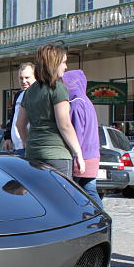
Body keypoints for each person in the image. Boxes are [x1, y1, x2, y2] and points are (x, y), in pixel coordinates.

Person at [17, 44, 85, 178]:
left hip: (33, 154)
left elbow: (20, 125)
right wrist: (78, 153)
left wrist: (28, 144)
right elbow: (64, 124)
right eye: (64, 62)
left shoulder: (29, 92)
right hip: (57, 155)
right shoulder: (58, 88)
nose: (66, 67)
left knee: (38, 196)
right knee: (60, 197)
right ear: (54, 64)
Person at [63, 69, 103, 207]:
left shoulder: (76, 103)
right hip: (92, 155)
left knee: (74, 193)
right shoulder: (86, 101)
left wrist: (75, 154)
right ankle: (98, 217)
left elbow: (76, 132)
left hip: (81, 157)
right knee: (89, 190)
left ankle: (100, 218)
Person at [4, 62, 36, 156]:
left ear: (35, 77)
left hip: (30, 148)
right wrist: (8, 136)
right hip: (16, 147)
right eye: (21, 78)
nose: (23, 81)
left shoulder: (38, 95)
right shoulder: (19, 94)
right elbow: (13, 117)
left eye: (27, 78)